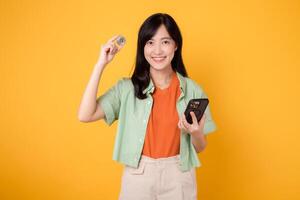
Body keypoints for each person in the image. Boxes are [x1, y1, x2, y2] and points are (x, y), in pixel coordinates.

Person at [78, 13, 217, 200]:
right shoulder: (127, 88)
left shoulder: (192, 90)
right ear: (142, 47)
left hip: (179, 175)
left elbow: (200, 147)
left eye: (165, 42)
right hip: (138, 176)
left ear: (176, 45)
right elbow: (85, 115)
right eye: (150, 42)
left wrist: (196, 133)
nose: (157, 50)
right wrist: (100, 65)